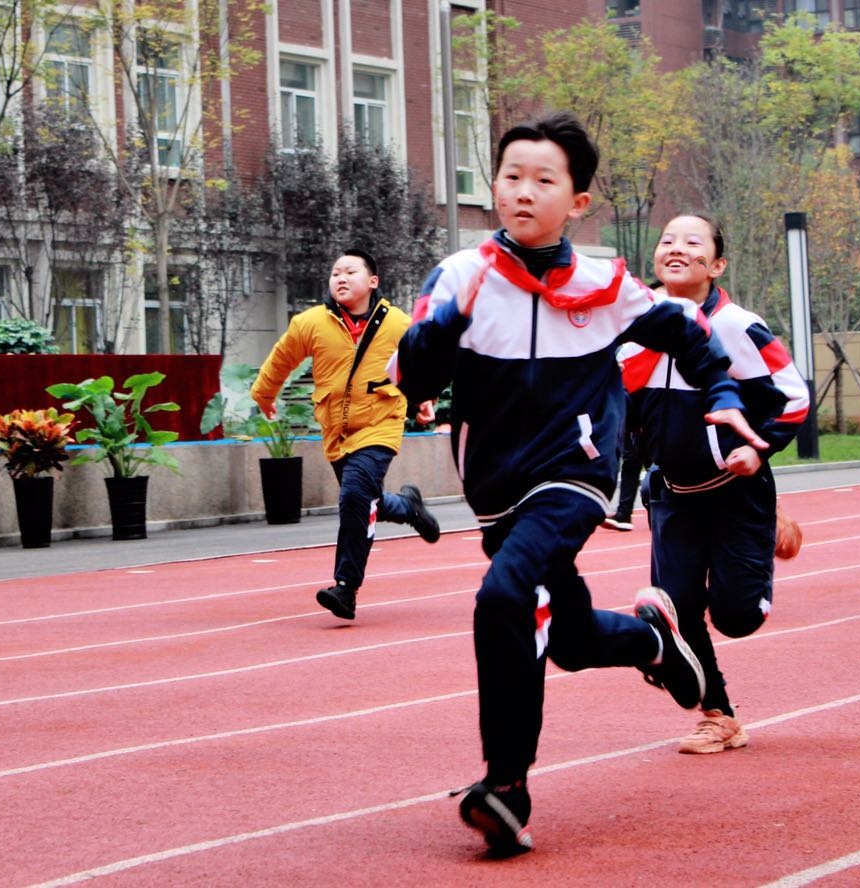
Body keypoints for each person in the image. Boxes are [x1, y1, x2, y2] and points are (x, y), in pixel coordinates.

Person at [392, 112, 766, 856]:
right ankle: (653, 640)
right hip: (495, 486)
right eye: (510, 177)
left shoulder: (606, 283)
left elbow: (686, 333)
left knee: (504, 596)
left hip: (574, 470)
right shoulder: (462, 275)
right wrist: (436, 334)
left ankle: (506, 786)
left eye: (543, 180)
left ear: (579, 201)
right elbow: (414, 379)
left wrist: (722, 398)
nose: (523, 192)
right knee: (565, 636)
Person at [619, 214, 810, 755]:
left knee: (736, 616)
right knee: (673, 615)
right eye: (667, 239)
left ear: (716, 264)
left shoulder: (737, 326)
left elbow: (792, 396)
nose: (676, 247)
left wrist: (758, 446)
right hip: (672, 495)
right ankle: (719, 716)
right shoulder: (631, 329)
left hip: (737, 492)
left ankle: (768, 532)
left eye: (691, 241)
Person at [251, 249, 442, 621]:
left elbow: (420, 363)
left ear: (372, 281)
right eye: (335, 272)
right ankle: (408, 507)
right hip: (337, 431)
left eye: (350, 271)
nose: (340, 277)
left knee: (354, 494)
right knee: (366, 501)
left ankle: (346, 588)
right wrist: (264, 393)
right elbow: (282, 358)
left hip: (380, 423)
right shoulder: (311, 323)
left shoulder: (398, 324)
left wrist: (424, 399)